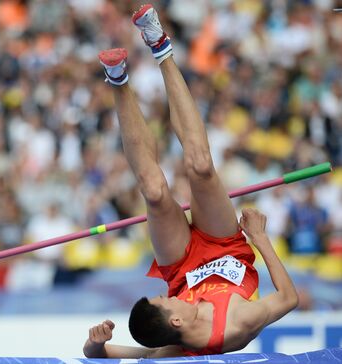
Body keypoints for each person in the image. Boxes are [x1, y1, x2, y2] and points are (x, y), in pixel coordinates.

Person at [83, 4, 298, 358]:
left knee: (153, 192)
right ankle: (161, 49)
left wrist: (94, 343)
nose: (169, 295)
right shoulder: (234, 325)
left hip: (180, 264)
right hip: (224, 244)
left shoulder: (171, 328)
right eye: (166, 301)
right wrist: (259, 239)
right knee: (199, 167)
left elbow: (101, 355)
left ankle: (119, 77)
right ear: (177, 323)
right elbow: (288, 299)